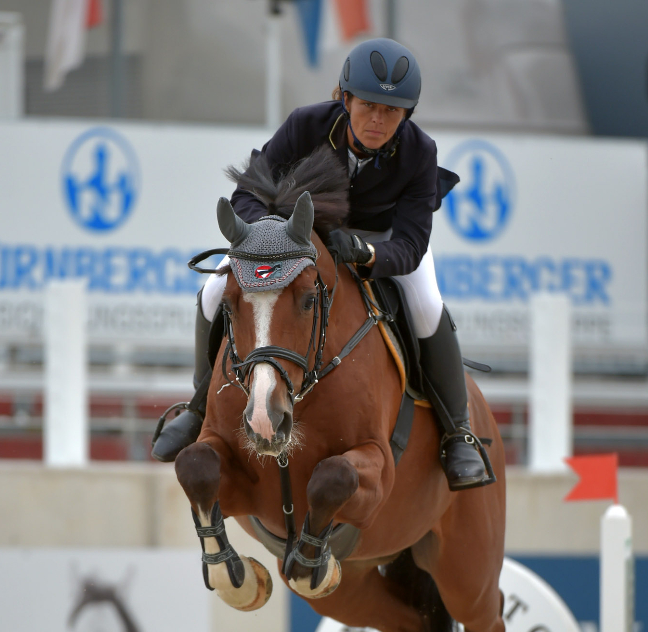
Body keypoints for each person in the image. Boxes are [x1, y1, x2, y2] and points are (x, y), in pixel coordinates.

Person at [152, 38, 490, 490]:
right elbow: (247, 194)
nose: (377, 120)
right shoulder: (305, 125)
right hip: (295, 235)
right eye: (368, 105)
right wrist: (272, 232)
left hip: (381, 241)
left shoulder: (419, 152)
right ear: (345, 98)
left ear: (406, 115)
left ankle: (457, 433)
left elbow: (411, 243)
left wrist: (368, 255)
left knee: (427, 304)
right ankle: (197, 407)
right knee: (215, 289)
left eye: (391, 111)